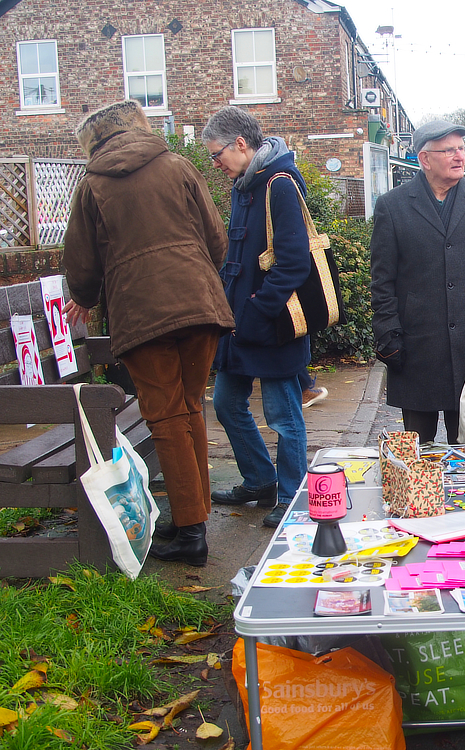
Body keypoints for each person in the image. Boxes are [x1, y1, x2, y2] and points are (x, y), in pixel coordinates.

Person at [63, 99, 235, 566]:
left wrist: (85, 294)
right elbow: (216, 238)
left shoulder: (92, 185)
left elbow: (81, 267)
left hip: (142, 314)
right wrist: (196, 277)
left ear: (93, 141)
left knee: (165, 416)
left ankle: (191, 531)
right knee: (188, 408)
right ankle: (191, 517)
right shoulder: (177, 165)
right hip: (200, 305)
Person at [370, 119, 465, 444]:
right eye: (448, 150)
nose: (459, 156)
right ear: (424, 159)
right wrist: (388, 334)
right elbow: (382, 280)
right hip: (415, 347)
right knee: (419, 453)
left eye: (461, 148)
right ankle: (426, 497)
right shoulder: (392, 206)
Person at [202, 106, 311, 529]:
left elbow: (293, 264)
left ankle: (292, 495)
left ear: (241, 144)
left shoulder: (279, 183)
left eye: (217, 154)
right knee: (228, 404)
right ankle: (260, 480)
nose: (216, 163)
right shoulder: (244, 183)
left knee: (284, 416)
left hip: (271, 323)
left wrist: (257, 311)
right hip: (239, 323)